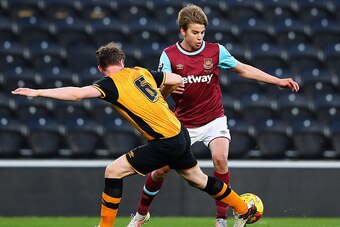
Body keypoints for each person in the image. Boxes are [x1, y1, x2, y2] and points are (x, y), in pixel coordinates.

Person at [12, 42, 258, 227]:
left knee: (113, 171)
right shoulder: (140, 71)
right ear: (122, 61)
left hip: (165, 141)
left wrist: (37, 92)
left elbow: (76, 93)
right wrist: (164, 94)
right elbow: (175, 78)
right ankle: (242, 207)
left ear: (101, 67)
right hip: (180, 132)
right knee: (198, 179)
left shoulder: (109, 84)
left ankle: (105, 226)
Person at [128, 3, 300, 227]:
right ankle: (141, 215)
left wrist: (278, 81)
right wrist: (170, 88)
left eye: (202, 33)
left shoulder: (215, 51)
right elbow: (159, 95)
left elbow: (243, 69)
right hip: (182, 124)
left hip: (213, 119)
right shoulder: (169, 55)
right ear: (182, 31)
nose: (199, 37)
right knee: (160, 171)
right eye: (194, 32)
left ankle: (221, 220)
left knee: (220, 160)